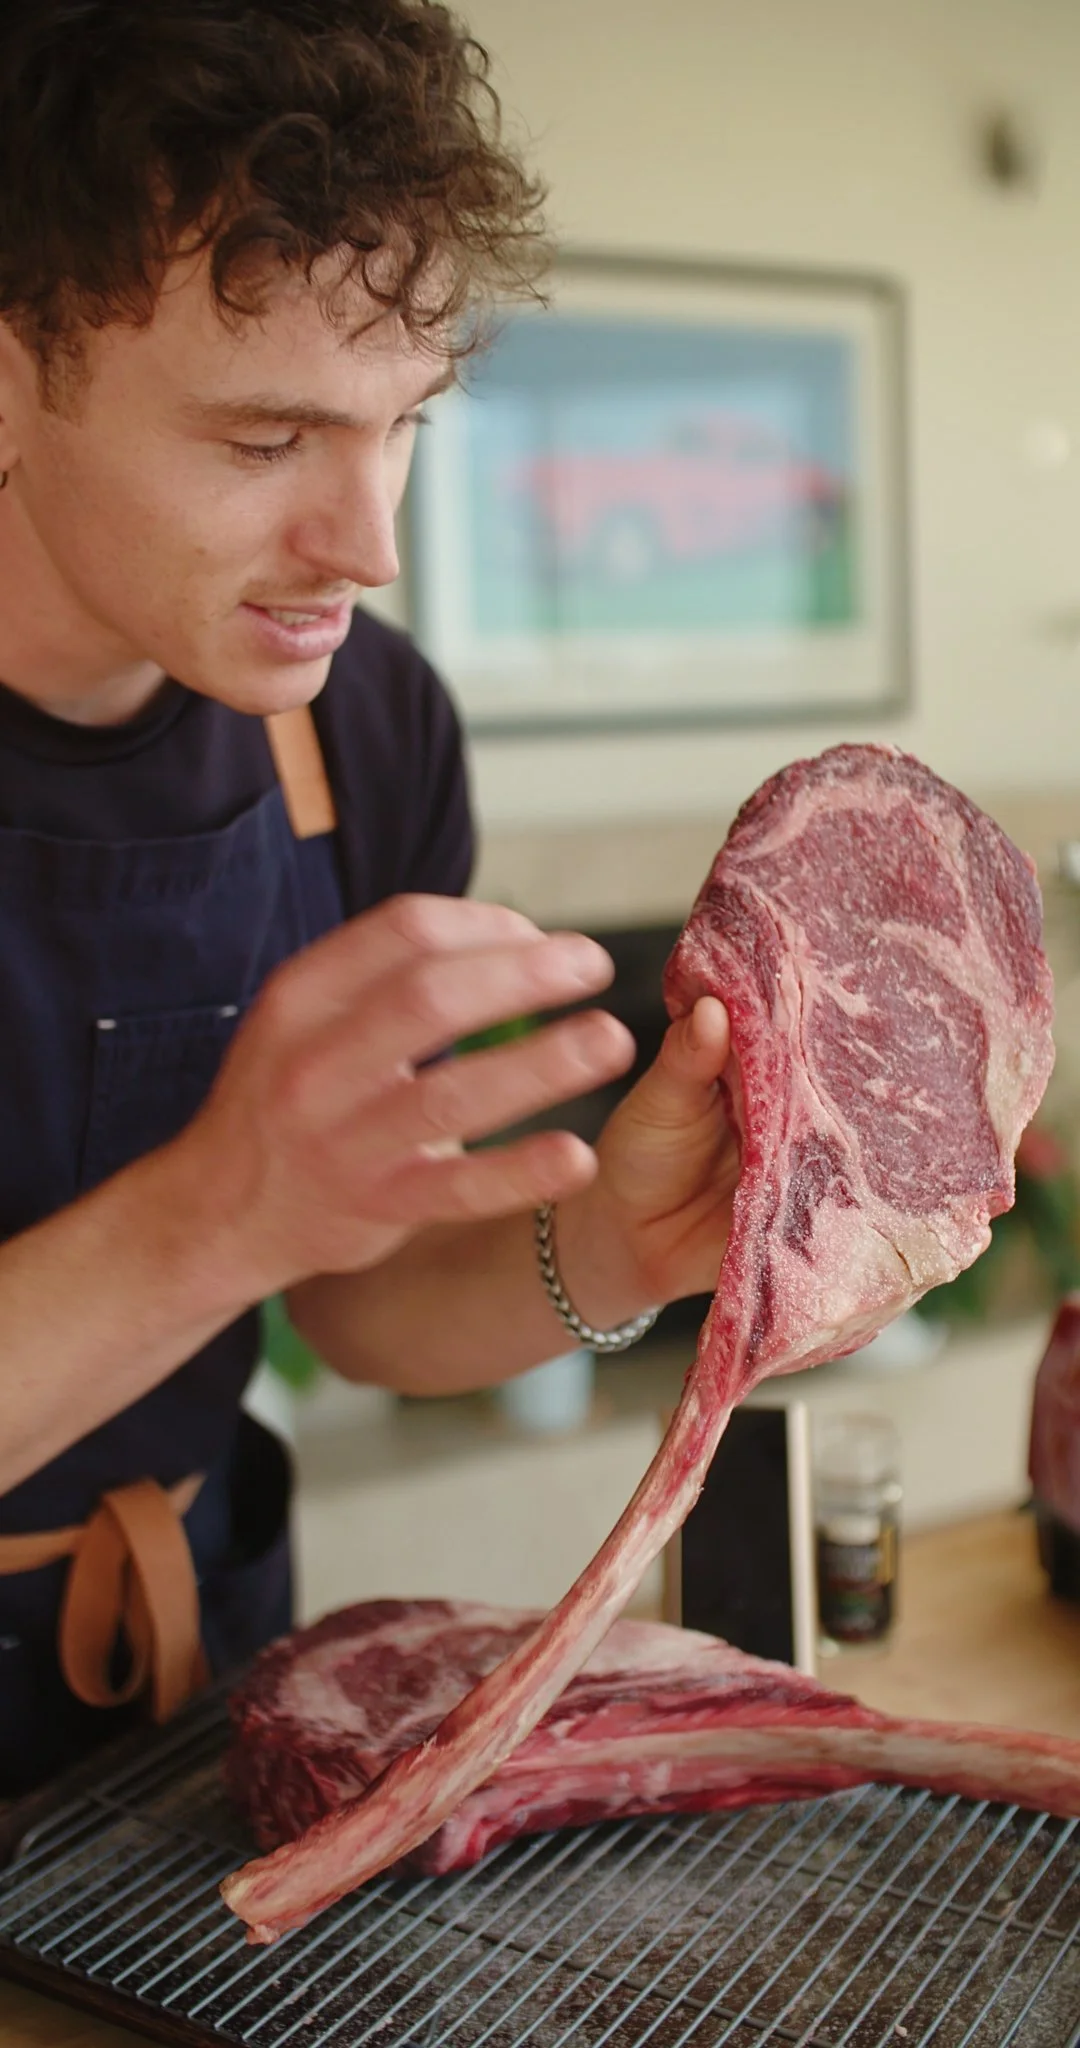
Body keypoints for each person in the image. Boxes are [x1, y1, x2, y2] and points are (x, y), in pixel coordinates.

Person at [0, 0, 736, 1794]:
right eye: (266, 445)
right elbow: (251, 1243)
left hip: (190, 1692)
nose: (372, 545)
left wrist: (619, 1254)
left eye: (404, 423)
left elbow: (358, 1301)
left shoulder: (365, 726)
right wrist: (212, 1216)